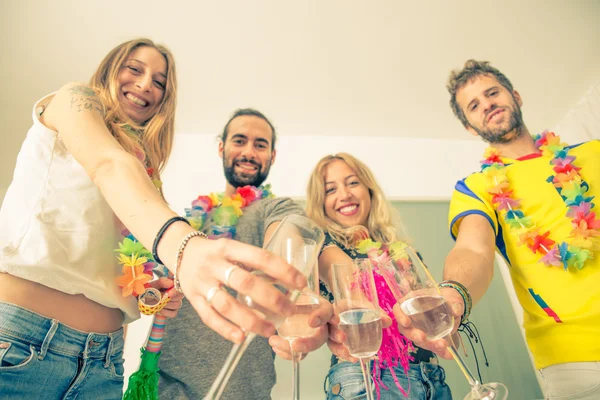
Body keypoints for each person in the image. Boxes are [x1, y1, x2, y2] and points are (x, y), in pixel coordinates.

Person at [0, 40, 306, 399]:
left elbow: (115, 277)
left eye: (160, 82)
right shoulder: (72, 100)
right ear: (109, 70)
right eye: (134, 69)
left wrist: (150, 295)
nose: (146, 84)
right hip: (23, 340)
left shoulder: (150, 182)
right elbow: (108, 164)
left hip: (105, 365)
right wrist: (186, 248)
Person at [398, 59, 600, 400]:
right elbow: (473, 249)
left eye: (493, 93)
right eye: (474, 105)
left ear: (516, 96)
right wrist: (455, 293)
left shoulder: (593, 154)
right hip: (573, 357)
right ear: (470, 127)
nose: (487, 104)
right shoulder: (476, 187)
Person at [157, 108, 333, 399]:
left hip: (243, 390)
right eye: (240, 141)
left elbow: (289, 233)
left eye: (260, 144)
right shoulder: (189, 223)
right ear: (222, 148)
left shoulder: (274, 208)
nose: (249, 151)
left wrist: (296, 290)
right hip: (164, 387)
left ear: (272, 156)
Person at [306, 153, 452, 399]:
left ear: (369, 190)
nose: (345, 194)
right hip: (368, 376)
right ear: (321, 203)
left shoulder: (403, 252)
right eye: (330, 189)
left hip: (431, 375)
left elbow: (431, 318)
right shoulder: (321, 244)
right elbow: (343, 276)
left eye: (352, 182)